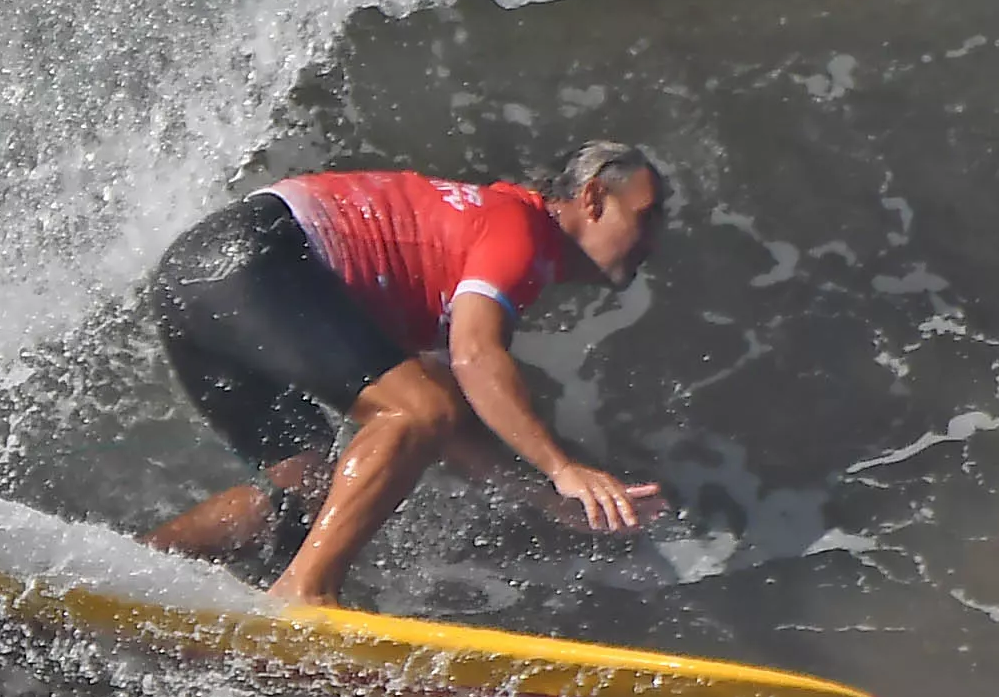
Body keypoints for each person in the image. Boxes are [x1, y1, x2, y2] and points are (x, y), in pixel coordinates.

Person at [141, 140, 674, 607]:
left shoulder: (470, 238)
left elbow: (448, 408)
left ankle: (131, 573)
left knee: (309, 499)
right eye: (646, 216)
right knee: (415, 409)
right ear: (595, 198)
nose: (653, 240)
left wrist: (545, 500)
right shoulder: (521, 230)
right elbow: (474, 358)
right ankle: (304, 592)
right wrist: (561, 467)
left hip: (193, 276)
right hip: (258, 255)